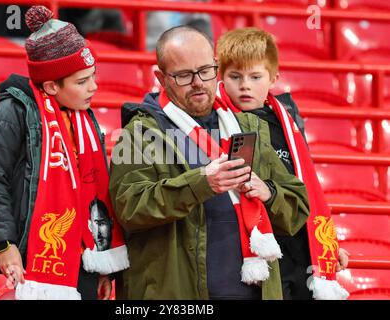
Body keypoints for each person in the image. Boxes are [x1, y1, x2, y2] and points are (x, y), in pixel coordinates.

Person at [109, 25, 310, 300]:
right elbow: (129, 207)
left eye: (205, 70)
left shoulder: (248, 125)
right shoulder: (140, 134)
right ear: (160, 77)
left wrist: (270, 193)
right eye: (183, 75)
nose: (198, 83)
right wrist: (200, 184)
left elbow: (297, 207)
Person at [0, 5, 129, 300]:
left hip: (84, 260)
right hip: (34, 259)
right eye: (82, 82)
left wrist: (103, 265)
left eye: (93, 76)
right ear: (51, 85)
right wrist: (4, 245)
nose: (93, 88)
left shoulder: (80, 114)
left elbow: (91, 187)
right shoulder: (8, 113)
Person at [216, 27, 350, 300]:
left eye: (255, 77)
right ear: (221, 77)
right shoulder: (216, 123)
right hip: (254, 252)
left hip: (298, 246)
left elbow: (308, 184)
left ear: (273, 78)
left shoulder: (287, 120)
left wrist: (326, 242)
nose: (245, 85)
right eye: (235, 76)